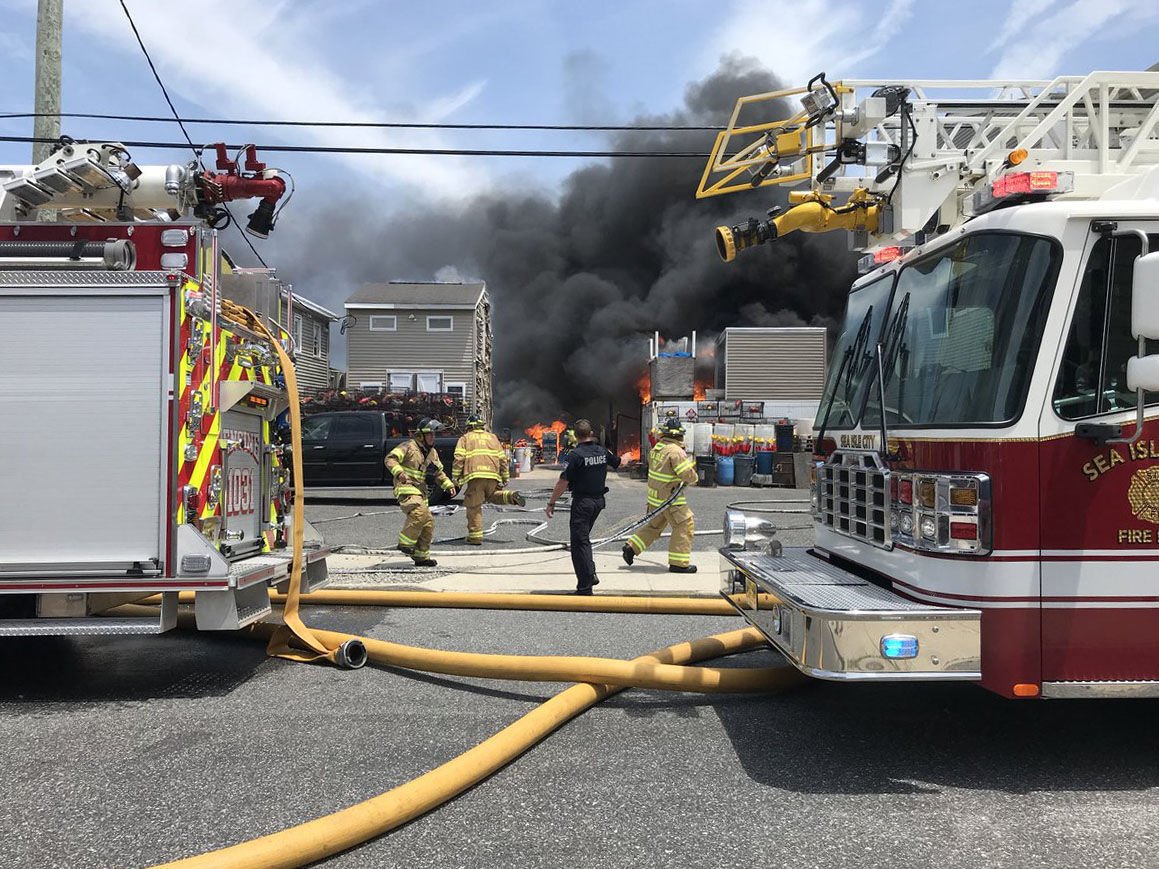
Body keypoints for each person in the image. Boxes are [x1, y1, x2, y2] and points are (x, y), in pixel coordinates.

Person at [546, 418, 621, 594]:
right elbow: (617, 462)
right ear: (591, 434)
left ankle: (585, 585)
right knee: (584, 539)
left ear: (575, 437)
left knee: (579, 543)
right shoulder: (602, 451)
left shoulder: (575, 455)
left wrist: (551, 503)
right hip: (598, 502)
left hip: (583, 503)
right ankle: (590, 573)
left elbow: (562, 482)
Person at [622, 416, 699, 572]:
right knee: (684, 525)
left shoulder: (657, 448)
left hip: (656, 498)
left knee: (654, 526)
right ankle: (679, 564)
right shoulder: (676, 451)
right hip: (670, 499)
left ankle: (631, 548)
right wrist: (694, 476)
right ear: (679, 435)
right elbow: (687, 475)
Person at [385, 417, 455, 567]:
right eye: (430, 434)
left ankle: (421, 557)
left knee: (428, 523)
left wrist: (448, 484)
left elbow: (438, 472)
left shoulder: (432, 453)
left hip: (421, 491)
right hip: (406, 487)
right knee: (419, 513)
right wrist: (399, 473)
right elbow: (390, 459)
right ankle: (405, 543)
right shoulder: (408, 446)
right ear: (420, 435)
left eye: (434, 435)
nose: (433, 437)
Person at [453, 413, 526, 545]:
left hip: (476, 476)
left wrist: (455, 477)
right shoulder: (493, 438)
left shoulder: (465, 438)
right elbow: (503, 459)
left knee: (473, 506)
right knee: (491, 495)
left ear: (470, 426)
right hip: (492, 475)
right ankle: (510, 496)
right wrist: (505, 477)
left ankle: (475, 537)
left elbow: (459, 458)